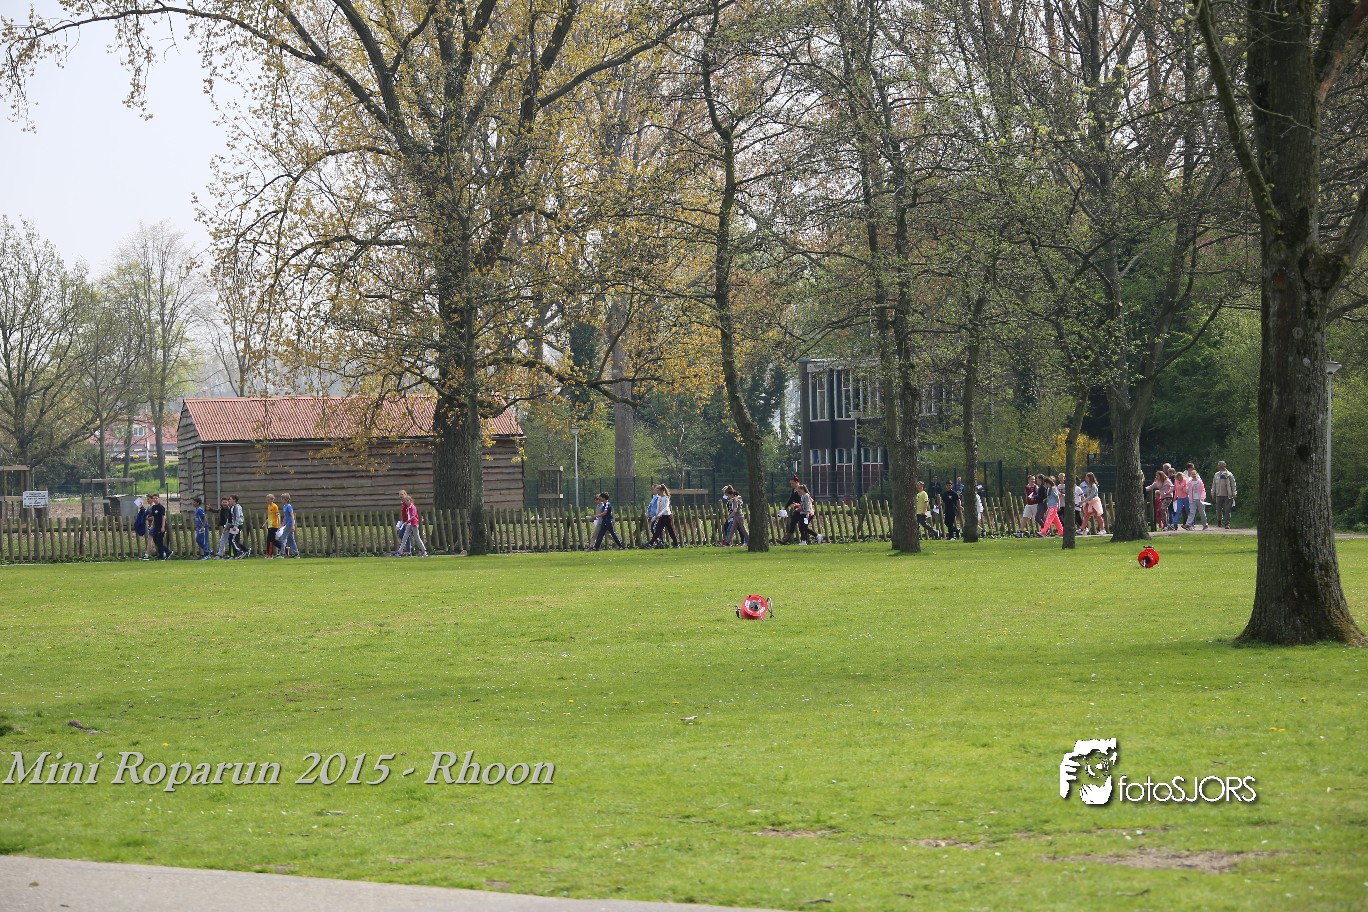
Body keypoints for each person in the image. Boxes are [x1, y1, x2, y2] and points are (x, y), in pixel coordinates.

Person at [394, 490, 429, 557]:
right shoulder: (407, 508)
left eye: (408, 500)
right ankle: (399, 552)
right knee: (404, 538)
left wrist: (407, 521)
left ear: (410, 501)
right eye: (406, 501)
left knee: (417, 537)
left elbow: (413, 516)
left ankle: (424, 551)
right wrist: (405, 522)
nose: (406, 502)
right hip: (409, 524)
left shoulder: (413, 507)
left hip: (414, 524)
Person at [1211, 461, 1237, 529]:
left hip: (1227, 495)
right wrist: (1213, 493)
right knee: (1218, 510)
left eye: (1219, 465)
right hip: (1218, 495)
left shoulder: (1229, 474)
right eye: (1218, 465)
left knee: (1227, 510)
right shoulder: (1216, 474)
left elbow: (1233, 485)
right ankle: (1219, 521)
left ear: (1223, 466)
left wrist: (1234, 493)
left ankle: (1227, 524)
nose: (1218, 466)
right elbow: (1214, 485)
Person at [147, 492, 172, 560]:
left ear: (159, 499)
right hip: (156, 526)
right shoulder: (153, 507)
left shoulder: (161, 507)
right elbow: (154, 518)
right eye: (154, 498)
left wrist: (163, 527)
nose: (155, 500)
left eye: (156, 498)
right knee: (156, 540)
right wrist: (152, 525)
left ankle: (165, 553)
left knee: (159, 541)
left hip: (161, 526)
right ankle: (165, 553)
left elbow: (163, 517)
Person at [1184, 464, 1209, 530]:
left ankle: (1205, 524)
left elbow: (1203, 490)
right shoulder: (1189, 482)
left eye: (1194, 474)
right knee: (1192, 512)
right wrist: (1184, 489)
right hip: (1192, 499)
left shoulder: (1200, 482)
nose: (1193, 476)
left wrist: (1202, 498)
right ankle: (1188, 524)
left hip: (1199, 498)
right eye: (1192, 474)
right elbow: (1188, 490)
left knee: (1202, 512)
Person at [783, 475, 803, 543]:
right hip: (797, 510)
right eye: (791, 483)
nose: (791, 485)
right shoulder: (793, 490)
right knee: (793, 523)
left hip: (802, 510)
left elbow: (803, 501)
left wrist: (796, 504)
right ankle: (786, 540)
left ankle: (813, 537)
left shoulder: (801, 490)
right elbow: (791, 499)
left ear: (797, 482)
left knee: (801, 526)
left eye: (793, 483)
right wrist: (786, 507)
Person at [278, 493, 298, 557]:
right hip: (287, 524)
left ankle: (281, 554)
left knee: (283, 538)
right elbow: (285, 517)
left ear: (286, 499)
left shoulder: (289, 506)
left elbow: (292, 515)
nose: (281, 500)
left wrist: (293, 525)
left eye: (282, 499)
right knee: (291, 539)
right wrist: (282, 524)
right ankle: (296, 554)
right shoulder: (284, 506)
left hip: (290, 524)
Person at [1171, 465, 1190, 531]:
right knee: (1178, 511)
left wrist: (1183, 487)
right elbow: (1175, 489)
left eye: (1181, 478)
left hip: (1186, 497)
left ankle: (1189, 523)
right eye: (1179, 478)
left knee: (1188, 510)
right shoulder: (1176, 481)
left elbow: (1185, 487)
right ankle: (1174, 524)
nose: (1180, 479)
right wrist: (1174, 497)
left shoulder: (1185, 480)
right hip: (1179, 498)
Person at [133, 494, 151, 561]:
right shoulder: (148, 508)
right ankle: (147, 555)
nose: (147, 500)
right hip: (151, 526)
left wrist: (147, 517)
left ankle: (165, 552)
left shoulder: (153, 507)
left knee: (156, 541)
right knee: (152, 540)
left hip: (155, 526)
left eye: (148, 499)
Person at [264, 494, 281, 558]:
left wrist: (279, 524)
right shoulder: (269, 506)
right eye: (267, 500)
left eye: (268, 500)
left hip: (274, 525)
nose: (267, 501)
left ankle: (270, 554)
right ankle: (269, 554)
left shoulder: (274, 506)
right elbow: (269, 516)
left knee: (271, 540)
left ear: (272, 500)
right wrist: (265, 523)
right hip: (270, 525)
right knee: (270, 540)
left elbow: (278, 515)